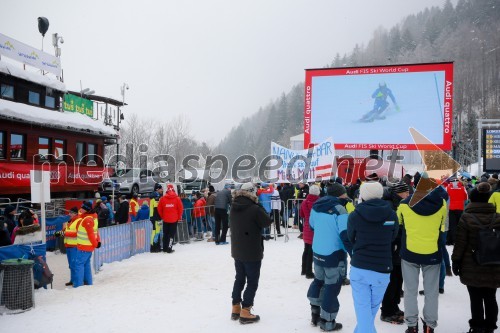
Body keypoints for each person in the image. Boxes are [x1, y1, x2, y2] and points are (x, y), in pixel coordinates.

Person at [397, 174, 447, 333]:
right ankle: (430, 325)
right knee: (431, 292)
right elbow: (443, 228)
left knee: (410, 291)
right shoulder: (442, 204)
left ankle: (411, 325)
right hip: (432, 253)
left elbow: (400, 224)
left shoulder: (404, 204)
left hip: (410, 252)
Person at [348, 181, 399, 333]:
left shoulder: (355, 215)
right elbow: (393, 236)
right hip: (382, 269)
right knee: (368, 313)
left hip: (360, 268)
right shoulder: (391, 214)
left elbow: (351, 238)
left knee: (364, 312)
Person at [451, 182, 500, 333]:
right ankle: (490, 327)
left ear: (471, 199)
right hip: (494, 264)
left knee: (476, 298)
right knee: (490, 296)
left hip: (471, 264)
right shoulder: (498, 218)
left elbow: (460, 243)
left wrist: (456, 261)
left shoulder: (466, 218)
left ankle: (477, 327)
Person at [307, 183, 352, 332]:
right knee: (332, 287)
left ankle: (315, 312)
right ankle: (327, 321)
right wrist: (352, 252)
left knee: (318, 281)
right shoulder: (340, 209)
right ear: (340, 195)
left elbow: (312, 225)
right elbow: (345, 234)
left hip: (318, 250)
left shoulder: (316, 206)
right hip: (334, 253)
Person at [229, 182, 271, 324]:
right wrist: (258, 205)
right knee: (252, 281)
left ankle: (235, 306)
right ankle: (246, 310)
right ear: (252, 193)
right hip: (252, 250)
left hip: (238, 249)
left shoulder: (234, 206)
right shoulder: (254, 208)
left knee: (239, 278)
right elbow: (267, 221)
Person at [380, 181, 410, 325]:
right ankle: (387, 310)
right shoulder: (390, 206)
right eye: (407, 192)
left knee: (398, 278)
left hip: (400, 247)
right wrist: (396, 241)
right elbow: (390, 228)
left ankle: (394, 306)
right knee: (392, 280)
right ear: (400, 192)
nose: (409, 194)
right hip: (392, 247)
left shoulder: (401, 203)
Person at [74, 201, 100, 288]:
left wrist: (96, 244)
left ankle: (79, 285)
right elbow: (96, 231)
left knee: (79, 264)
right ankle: (88, 283)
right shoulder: (91, 217)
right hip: (88, 247)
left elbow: (91, 234)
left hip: (84, 247)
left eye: (82, 208)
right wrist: (97, 242)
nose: (80, 209)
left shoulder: (87, 219)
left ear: (86, 209)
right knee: (86, 264)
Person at [299, 184, 320, 279]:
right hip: (314, 228)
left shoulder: (304, 202)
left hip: (306, 227)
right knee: (311, 251)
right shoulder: (318, 203)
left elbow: (301, 214)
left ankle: (303, 269)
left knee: (306, 249)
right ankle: (309, 272)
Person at [157, 184, 183, 253]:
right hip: (174, 219)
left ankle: (165, 248)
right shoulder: (177, 199)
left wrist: (163, 216)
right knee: (172, 235)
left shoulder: (163, 199)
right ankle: (169, 248)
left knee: (165, 234)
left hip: (165, 219)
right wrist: (178, 217)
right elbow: (180, 209)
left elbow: (159, 209)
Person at [58, 207, 80, 286]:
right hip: (68, 246)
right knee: (71, 265)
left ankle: (77, 281)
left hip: (74, 246)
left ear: (75, 213)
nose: (69, 214)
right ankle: (72, 280)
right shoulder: (69, 221)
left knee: (74, 264)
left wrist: (64, 233)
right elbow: (65, 231)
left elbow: (77, 233)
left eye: (71, 213)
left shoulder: (78, 221)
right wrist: (59, 233)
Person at [446, 177, 468, 245]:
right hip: (460, 208)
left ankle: (453, 240)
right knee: (460, 224)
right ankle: (459, 240)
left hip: (451, 208)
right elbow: (466, 197)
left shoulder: (448, 187)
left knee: (452, 224)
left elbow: (446, 196)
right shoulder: (462, 187)